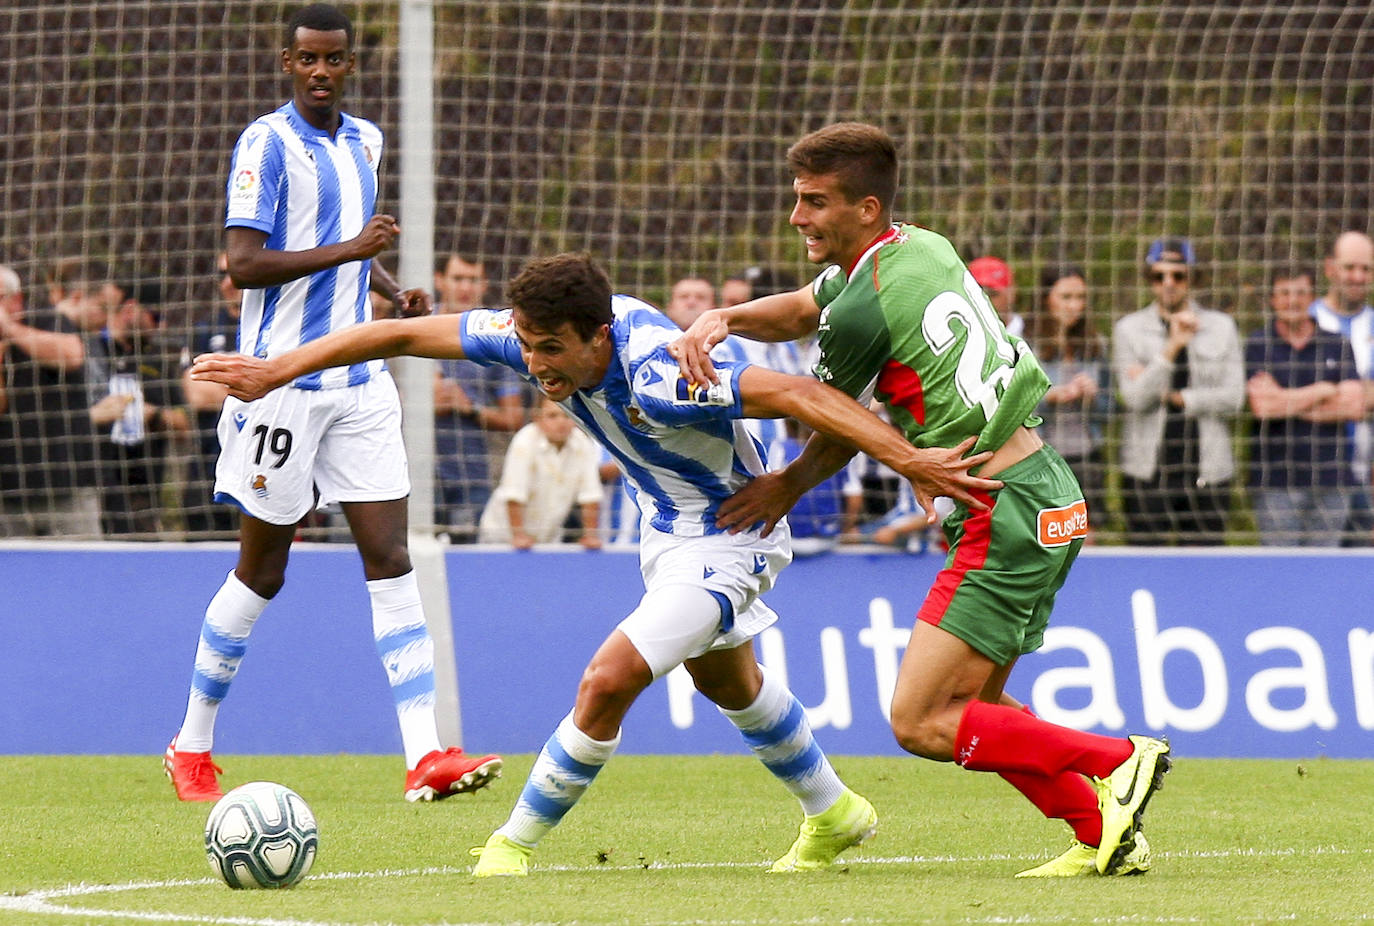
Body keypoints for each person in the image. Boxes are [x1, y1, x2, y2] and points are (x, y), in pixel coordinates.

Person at [188, 250, 1001, 877]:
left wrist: (909, 464)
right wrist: (274, 370)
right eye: (528, 346)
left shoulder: (661, 377)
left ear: (598, 336)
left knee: (607, 680)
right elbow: (396, 333)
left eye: (551, 351)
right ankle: (835, 811)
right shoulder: (532, 338)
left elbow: (806, 398)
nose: (536, 366)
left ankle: (510, 847)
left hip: (732, 531)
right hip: (666, 532)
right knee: (729, 682)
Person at [670, 122, 1170, 878]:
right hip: (1041, 494)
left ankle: (1118, 758)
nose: (797, 216)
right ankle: (1101, 828)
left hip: (993, 509)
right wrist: (727, 317)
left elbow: (825, 411)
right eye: (796, 198)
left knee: (919, 721)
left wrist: (784, 480)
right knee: (979, 711)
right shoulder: (918, 246)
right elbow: (808, 306)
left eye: (815, 202)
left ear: (866, 208)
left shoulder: (867, 304)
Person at [163, 3, 501, 804]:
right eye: (307, 59)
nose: (321, 71)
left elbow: (348, 244)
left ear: (351, 65)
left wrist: (389, 287)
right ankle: (192, 743)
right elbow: (243, 265)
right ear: (288, 62)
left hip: (358, 387)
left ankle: (425, 757)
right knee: (263, 572)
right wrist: (355, 253)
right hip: (278, 387)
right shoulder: (266, 144)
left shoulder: (366, 140)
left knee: (390, 559)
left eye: (335, 60)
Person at [1113, 238, 1244, 545]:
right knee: (1145, 565)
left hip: (1208, 472)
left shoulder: (1222, 327)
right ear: (1150, 280)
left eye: (1178, 275)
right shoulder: (1128, 329)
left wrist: (1178, 398)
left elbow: (1235, 398)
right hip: (1146, 471)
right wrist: (1171, 348)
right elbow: (1133, 398)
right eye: (1159, 276)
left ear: (1192, 278)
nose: (1168, 284)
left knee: (1205, 570)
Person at [1245, 265, 1364, 546]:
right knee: (1280, 576)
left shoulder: (1337, 344)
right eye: (1284, 293)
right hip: (1275, 483)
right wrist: (1324, 389)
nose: (1292, 300)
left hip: (1331, 481)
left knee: (1324, 576)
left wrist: (1284, 400)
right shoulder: (1258, 345)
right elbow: (1262, 407)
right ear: (1272, 299)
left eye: (1300, 292)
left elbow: (1354, 406)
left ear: (1313, 297)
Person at [0, 263, 102, 538]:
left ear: (15, 299)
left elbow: (71, 355)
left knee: (81, 572)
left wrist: (9, 328)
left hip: (67, 486)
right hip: (9, 493)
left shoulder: (48, 320)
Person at [432, 252, 527, 539]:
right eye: (458, 278)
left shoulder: (497, 336)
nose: (465, 288)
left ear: (484, 285)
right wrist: (418, 404)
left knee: (467, 557)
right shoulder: (410, 324)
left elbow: (514, 418)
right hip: (414, 469)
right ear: (440, 281)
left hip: (471, 473)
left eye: (472, 280)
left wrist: (469, 408)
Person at [85, 279, 189, 537]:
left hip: (144, 490)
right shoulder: (93, 352)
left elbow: (184, 423)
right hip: (97, 482)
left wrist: (153, 414)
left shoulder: (157, 360)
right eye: (155, 316)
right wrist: (97, 416)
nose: (160, 325)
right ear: (131, 309)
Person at [1023, 264, 1111, 527]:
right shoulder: (1024, 344)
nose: (1075, 305)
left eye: (1080, 298)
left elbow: (1109, 410)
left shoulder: (1096, 344)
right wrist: (1048, 398)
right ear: (1046, 298)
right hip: (1041, 458)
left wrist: (1092, 396)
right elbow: (1009, 411)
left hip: (1087, 455)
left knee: (1086, 537)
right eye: (1066, 297)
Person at [1308, 230, 1374, 545]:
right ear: (1330, 268)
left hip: (1368, 476)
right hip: (1316, 475)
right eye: (1350, 268)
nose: (1358, 276)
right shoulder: (1306, 320)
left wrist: (1328, 393)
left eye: (1366, 269)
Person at [477, 397, 602, 548]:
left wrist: (591, 536)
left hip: (548, 537)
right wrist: (518, 535)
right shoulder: (525, 440)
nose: (561, 422)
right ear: (537, 418)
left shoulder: (582, 442)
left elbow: (590, 495)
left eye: (567, 415)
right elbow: (514, 494)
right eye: (552, 416)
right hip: (501, 537)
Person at [180, 253, 243, 537]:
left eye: (238, 271)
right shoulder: (204, 331)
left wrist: (221, 386)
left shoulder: (279, 328)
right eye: (223, 275)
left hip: (264, 462)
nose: (230, 282)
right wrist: (256, 384)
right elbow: (196, 394)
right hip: (209, 463)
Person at [969, 256, 1024, 337]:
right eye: (976, 295)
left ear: (1011, 293)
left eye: (992, 294)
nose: (984, 301)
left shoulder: (1032, 336)